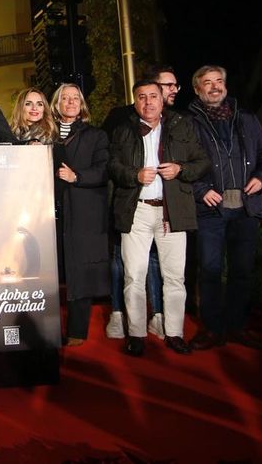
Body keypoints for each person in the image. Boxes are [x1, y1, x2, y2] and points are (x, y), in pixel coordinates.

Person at [108, 80, 210, 357]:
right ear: (135, 101)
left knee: (174, 277)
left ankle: (174, 333)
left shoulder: (181, 126)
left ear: (162, 99)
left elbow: (202, 162)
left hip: (172, 210)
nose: (148, 102)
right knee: (134, 275)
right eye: (142, 97)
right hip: (136, 210)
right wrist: (134, 175)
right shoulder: (123, 129)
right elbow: (113, 166)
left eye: (153, 96)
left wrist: (180, 169)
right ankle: (137, 334)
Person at [187, 65, 262, 351]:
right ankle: (213, 328)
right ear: (197, 89)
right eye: (207, 82)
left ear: (225, 86)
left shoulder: (248, 120)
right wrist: (202, 190)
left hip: (245, 207)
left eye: (219, 81)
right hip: (210, 209)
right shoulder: (187, 123)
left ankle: (238, 326)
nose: (214, 86)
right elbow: (181, 163)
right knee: (210, 271)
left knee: (242, 271)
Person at [100, 66, 177, 340]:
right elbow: (109, 161)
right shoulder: (120, 119)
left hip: (166, 208)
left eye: (172, 86)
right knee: (125, 264)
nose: (170, 91)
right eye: (165, 85)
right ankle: (120, 314)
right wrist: (132, 176)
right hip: (129, 204)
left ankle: (157, 315)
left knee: (159, 264)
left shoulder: (177, 123)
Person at [51, 83, 110, 345]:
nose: (71, 102)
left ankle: (76, 331)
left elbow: (104, 170)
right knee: (48, 269)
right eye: (65, 98)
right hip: (50, 210)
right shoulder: (46, 133)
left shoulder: (95, 135)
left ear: (82, 104)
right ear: (57, 103)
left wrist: (78, 177)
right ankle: (46, 329)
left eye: (76, 98)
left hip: (83, 210)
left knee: (79, 270)